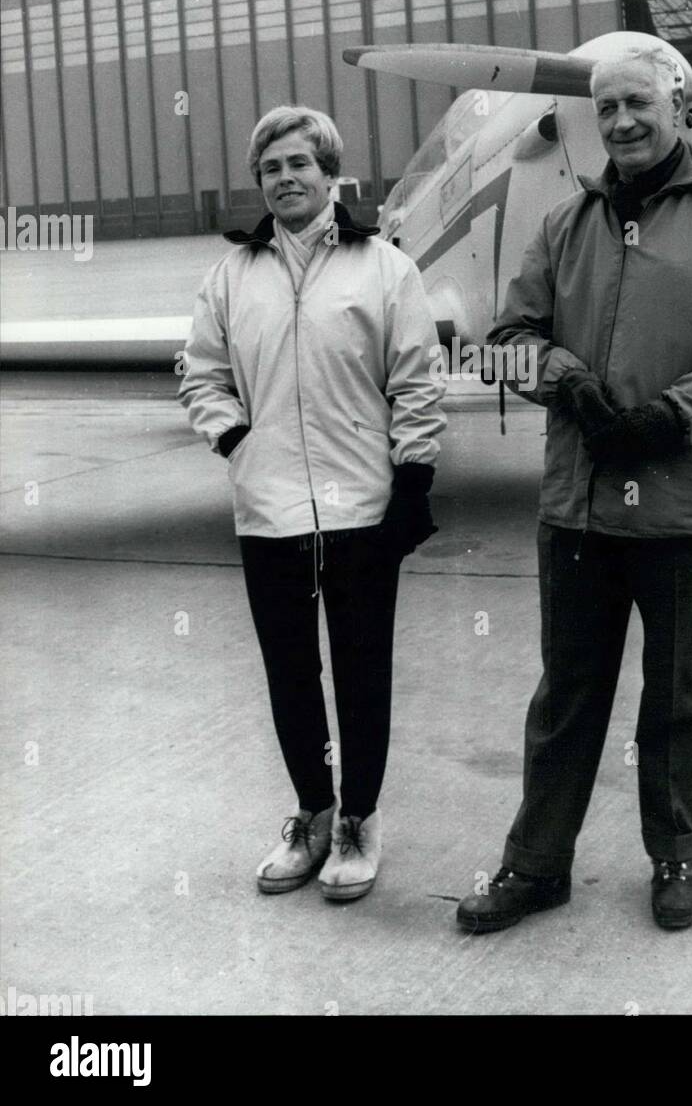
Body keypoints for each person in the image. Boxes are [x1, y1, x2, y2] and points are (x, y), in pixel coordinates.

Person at [456, 48, 692, 934]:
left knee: (679, 694)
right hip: (576, 509)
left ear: (675, 105)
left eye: (636, 103)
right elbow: (507, 336)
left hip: (684, 508)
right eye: (604, 108)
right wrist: (566, 380)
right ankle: (536, 865)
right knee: (565, 693)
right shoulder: (565, 225)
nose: (618, 123)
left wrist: (671, 418)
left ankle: (677, 855)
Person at [179, 105, 446, 902]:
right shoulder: (230, 276)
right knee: (290, 674)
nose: (285, 179)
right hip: (269, 513)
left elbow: (416, 380)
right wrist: (235, 441)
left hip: (361, 508)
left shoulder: (384, 268)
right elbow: (200, 372)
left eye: (300, 164)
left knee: (363, 673)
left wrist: (414, 477)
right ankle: (313, 814)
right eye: (270, 169)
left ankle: (360, 820)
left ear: (332, 175)